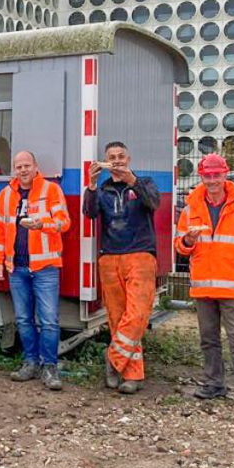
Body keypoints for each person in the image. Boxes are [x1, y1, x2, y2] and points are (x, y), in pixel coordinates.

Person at [175, 153, 234, 414]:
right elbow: (180, 247)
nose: (213, 180)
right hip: (204, 287)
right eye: (208, 175)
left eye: (217, 175)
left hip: (232, 288)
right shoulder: (191, 208)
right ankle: (214, 383)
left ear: (225, 175)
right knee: (208, 340)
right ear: (201, 176)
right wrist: (189, 242)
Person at [83, 141, 160, 395]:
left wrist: (132, 180)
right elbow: (89, 213)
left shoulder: (144, 182)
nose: (116, 160)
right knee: (117, 319)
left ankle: (113, 357)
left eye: (120, 156)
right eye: (111, 157)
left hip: (140, 255)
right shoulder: (103, 189)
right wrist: (91, 185)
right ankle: (131, 375)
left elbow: (153, 204)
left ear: (129, 159)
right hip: (110, 257)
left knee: (137, 315)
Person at [0, 151, 70, 390]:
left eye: (27, 165)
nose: (23, 170)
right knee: (24, 320)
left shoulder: (51, 191)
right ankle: (30, 363)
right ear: (14, 170)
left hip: (45, 267)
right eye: (18, 167)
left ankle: (50, 367)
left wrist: (41, 225)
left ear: (36, 167)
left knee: (48, 321)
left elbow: (64, 222)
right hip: (17, 268)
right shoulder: (6, 195)